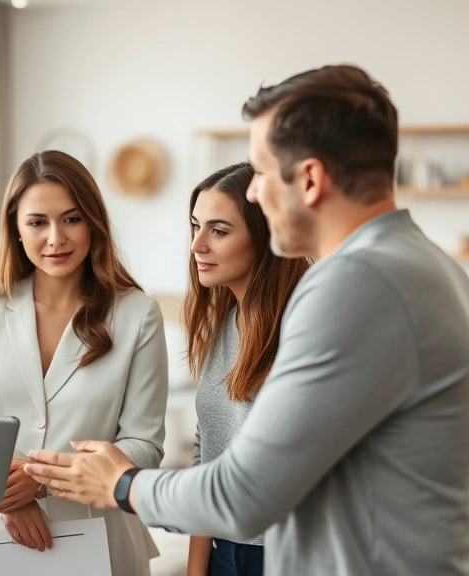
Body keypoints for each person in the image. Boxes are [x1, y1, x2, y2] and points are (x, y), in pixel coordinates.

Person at [25, 65, 469, 576]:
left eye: (263, 172)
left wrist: (121, 484)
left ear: (310, 179)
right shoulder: (426, 265)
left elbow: (243, 495)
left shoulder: (356, 284)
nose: (253, 193)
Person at [0, 150, 168, 576]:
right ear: (15, 228)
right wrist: (11, 500)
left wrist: (43, 483)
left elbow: (145, 446)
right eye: (37, 222)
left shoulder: (137, 313)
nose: (55, 238)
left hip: (99, 539)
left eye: (71, 218)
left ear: (93, 222)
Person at [182, 162, 309, 576]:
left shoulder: (303, 326)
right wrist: (197, 567)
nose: (197, 245)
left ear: (265, 235)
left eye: (218, 230)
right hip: (223, 548)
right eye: (195, 226)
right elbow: (207, 451)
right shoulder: (224, 322)